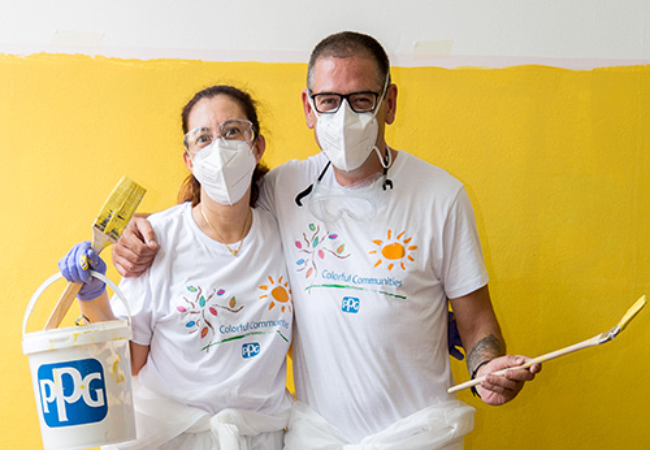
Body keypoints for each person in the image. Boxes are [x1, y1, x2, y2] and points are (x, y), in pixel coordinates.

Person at [113, 32, 541, 449]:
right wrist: (141, 229)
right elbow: (214, 209)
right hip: (317, 437)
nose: (343, 117)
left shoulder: (442, 197)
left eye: (360, 101)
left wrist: (487, 365)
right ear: (309, 107)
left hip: (420, 436)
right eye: (329, 101)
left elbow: (477, 319)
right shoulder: (287, 188)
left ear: (389, 103)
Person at [59, 85, 294, 450]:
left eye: (232, 131)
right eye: (203, 138)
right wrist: (93, 296)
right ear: (189, 159)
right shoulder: (157, 242)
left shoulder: (284, 233)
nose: (219, 147)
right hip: (172, 439)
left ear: (257, 145)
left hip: (264, 437)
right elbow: (127, 363)